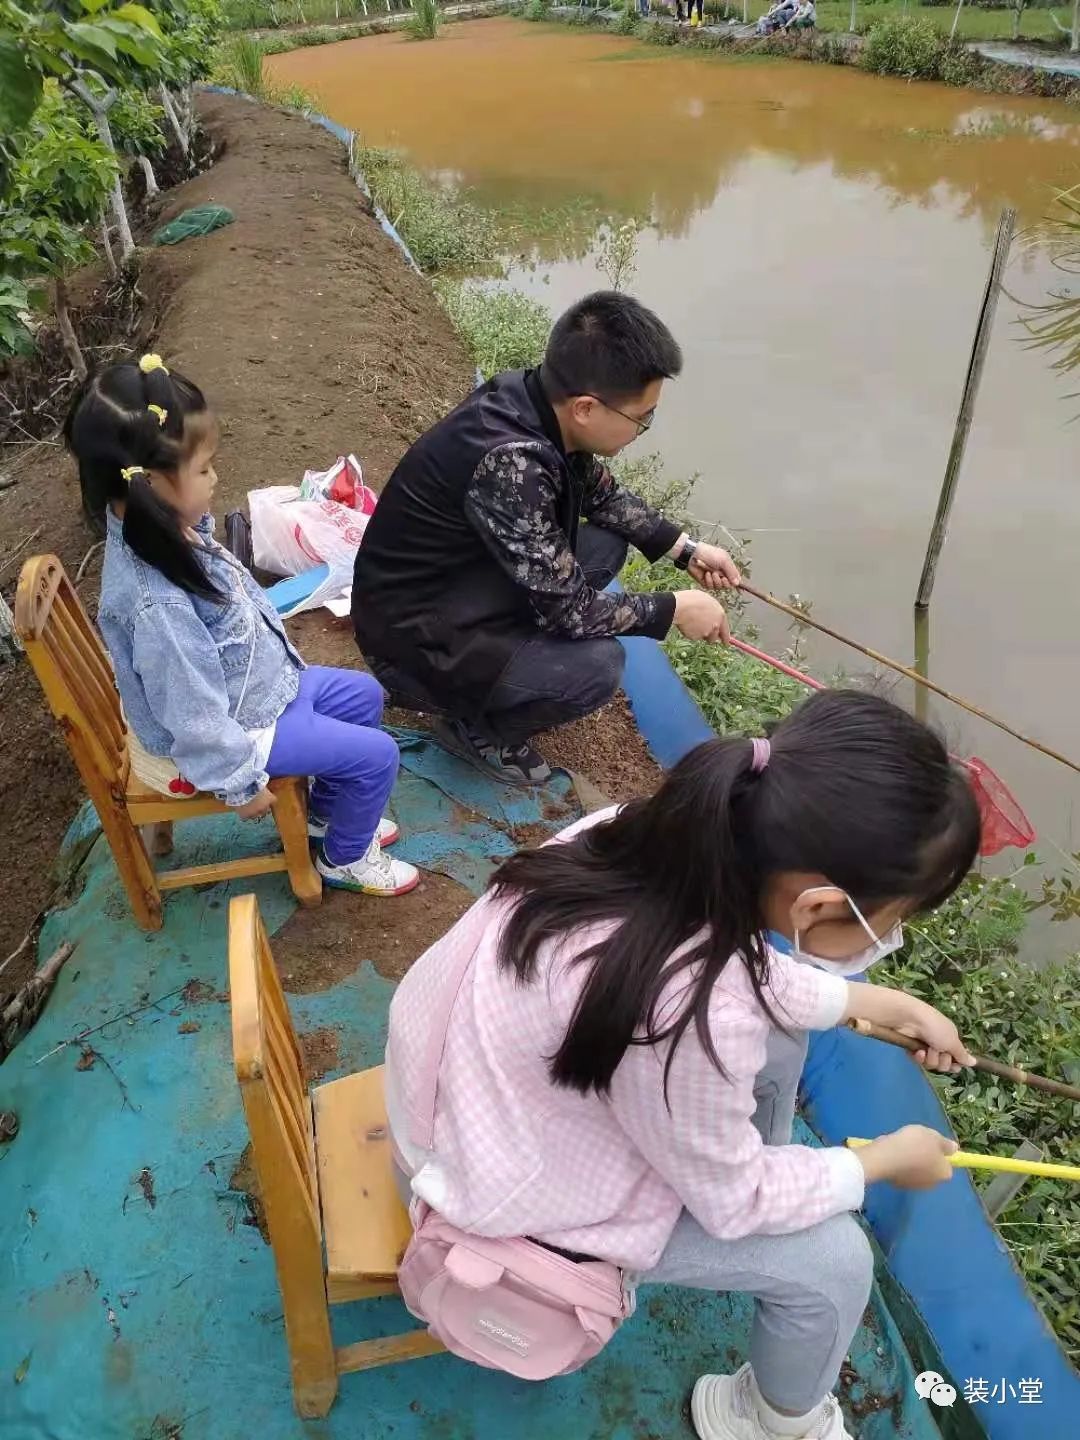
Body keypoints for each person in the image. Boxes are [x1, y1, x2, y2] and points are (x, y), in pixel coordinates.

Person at [385, 690, 982, 1440]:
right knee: (832, 1261)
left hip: (449, 1098)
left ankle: (746, 1160)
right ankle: (768, 1423)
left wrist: (868, 1002)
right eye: (896, 918)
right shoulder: (691, 1017)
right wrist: (885, 1161)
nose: (891, 935)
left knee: (781, 1042)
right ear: (821, 905)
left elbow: (745, 972)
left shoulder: (639, 837)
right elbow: (733, 1200)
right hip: (484, 1194)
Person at [64, 354, 418, 898]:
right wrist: (240, 783)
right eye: (203, 469)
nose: (216, 477)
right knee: (378, 756)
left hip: (255, 690)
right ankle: (346, 858)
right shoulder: (155, 607)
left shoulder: (164, 528)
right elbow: (194, 715)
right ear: (152, 484)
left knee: (365, 695)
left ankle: (327, 817)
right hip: (240, 731)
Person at [352, 292, 736, 787]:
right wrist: (675, 609)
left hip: (450, 589)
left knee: (605, 543)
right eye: (643, 418)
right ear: (585, 408)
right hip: (409, 642)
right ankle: (480, 730)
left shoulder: (532, 401)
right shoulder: (512, 463)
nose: (644, 429)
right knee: (599, 667)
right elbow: (573, 611)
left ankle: (510, 659)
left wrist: (686, 551)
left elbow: (599, 494)